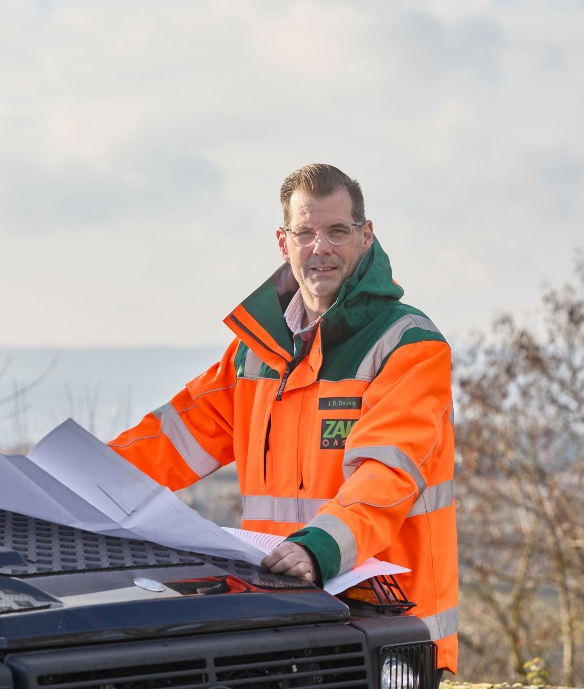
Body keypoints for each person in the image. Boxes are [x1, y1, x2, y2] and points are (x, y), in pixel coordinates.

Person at [108, 163, 458, 676]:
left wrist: (319, 548)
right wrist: (68, 486)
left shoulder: (407, 346)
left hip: (383, 623)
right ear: (283, 241)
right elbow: (169, 441)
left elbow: (386, 475)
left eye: (337, 231)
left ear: (365, 235)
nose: (321, 248)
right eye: (306, 232)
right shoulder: (255, 353)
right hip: (279, 614)